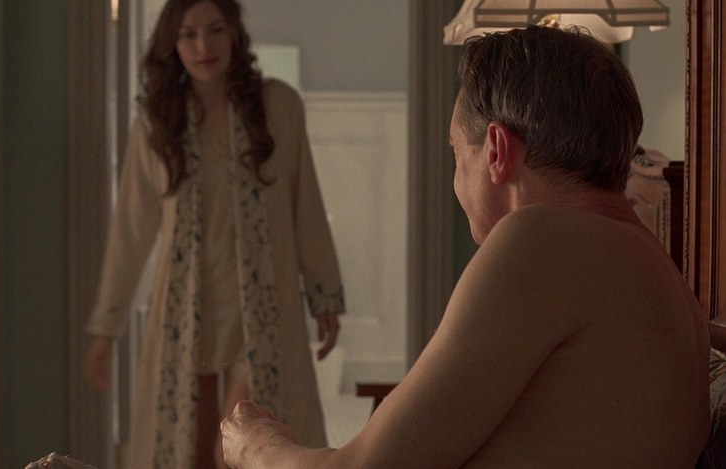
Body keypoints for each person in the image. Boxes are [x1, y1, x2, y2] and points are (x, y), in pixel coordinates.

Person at [221, 25, 711, 468]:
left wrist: (254, 445)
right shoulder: (651, 264)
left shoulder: (541, 239)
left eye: (457, 152)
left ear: (496, 150)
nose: (456, 178)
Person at [83, 0, 345, 467]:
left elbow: (304, 205)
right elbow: (131, 231)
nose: (204, 46)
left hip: (260, 310)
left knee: (242, 449)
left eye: (215, 30)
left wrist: (323, 293)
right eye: (189, 35)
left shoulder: (278, 107)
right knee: (192, 452)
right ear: (173, 44)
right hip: (188, 311)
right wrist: (106, 328)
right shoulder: (157, 124)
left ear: (234, 34)